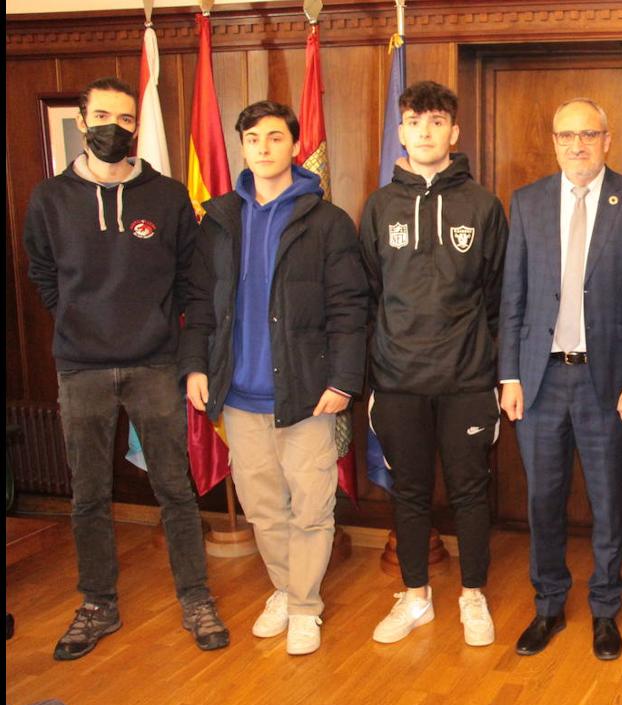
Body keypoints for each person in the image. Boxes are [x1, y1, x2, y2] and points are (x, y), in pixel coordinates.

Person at [24, 77, 229, 660]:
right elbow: (43, 273)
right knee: (87, 493)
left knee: (174, 488)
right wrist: (79, 323)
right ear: (83, 122)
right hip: (80, 368)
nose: (115, 126)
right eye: (103, 115)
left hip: (155, 364)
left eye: (127, 117)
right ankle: (97, 603)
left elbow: (195, 281)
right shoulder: (50, 198)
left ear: (138, 126)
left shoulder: (165, 197)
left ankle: (195, 597)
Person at [181, 100, 369, 656]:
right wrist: (195, 364)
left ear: (293, 145)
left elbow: (349, 308)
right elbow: (200, 303)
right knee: (264, 508)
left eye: (274, 138)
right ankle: (286, 590)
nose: (263, 148)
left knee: (311, 506)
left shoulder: (325, 220)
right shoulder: (217, 219)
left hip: (307, 394)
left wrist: (342, 381)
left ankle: (306, 606)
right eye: (253, 139)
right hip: (238, 396)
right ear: (242, 147)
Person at [498, 97, 622, 661]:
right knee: (542, 500)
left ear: (607, 140)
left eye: (587, 134)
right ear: (553, 140)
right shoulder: (527, 202)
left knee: (607, 501)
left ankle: (605, 610)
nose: (576, 145)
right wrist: (508, 376)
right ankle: (547, 605)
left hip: (607, 382)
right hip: (539, 380)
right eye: (566, 135)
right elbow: (512, 298)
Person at [360, 81, 508, 648]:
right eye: (415, 121)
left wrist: (486, 360)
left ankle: (473, 595)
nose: (425, 130)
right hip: (398, 381)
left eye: (437, 121)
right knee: (410, 492)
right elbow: (371, 291)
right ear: (401, 131)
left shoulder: (482, 204)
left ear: (454, 132)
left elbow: (498, 295)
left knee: (470, 492)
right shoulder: (379, 206)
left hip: (467, 380)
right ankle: (416, 595)